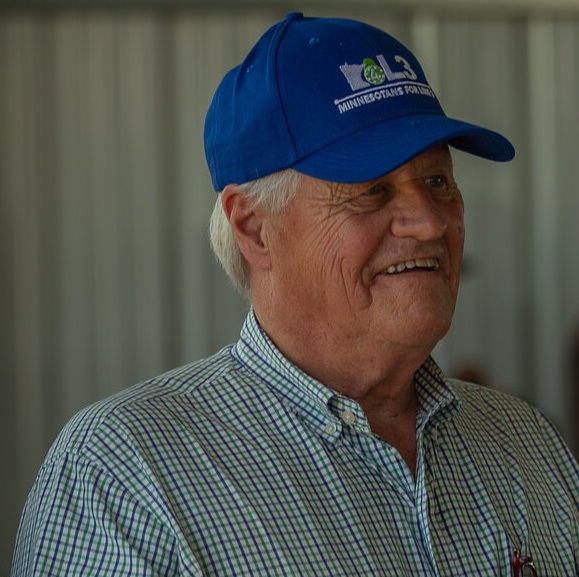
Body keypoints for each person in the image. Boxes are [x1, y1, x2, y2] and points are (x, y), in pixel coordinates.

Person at [11, 13, 578, 577]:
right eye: (371, 189)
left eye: (437, 182)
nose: (429, 223)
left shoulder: (525, 442)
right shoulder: (125, 473)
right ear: (255, 227)